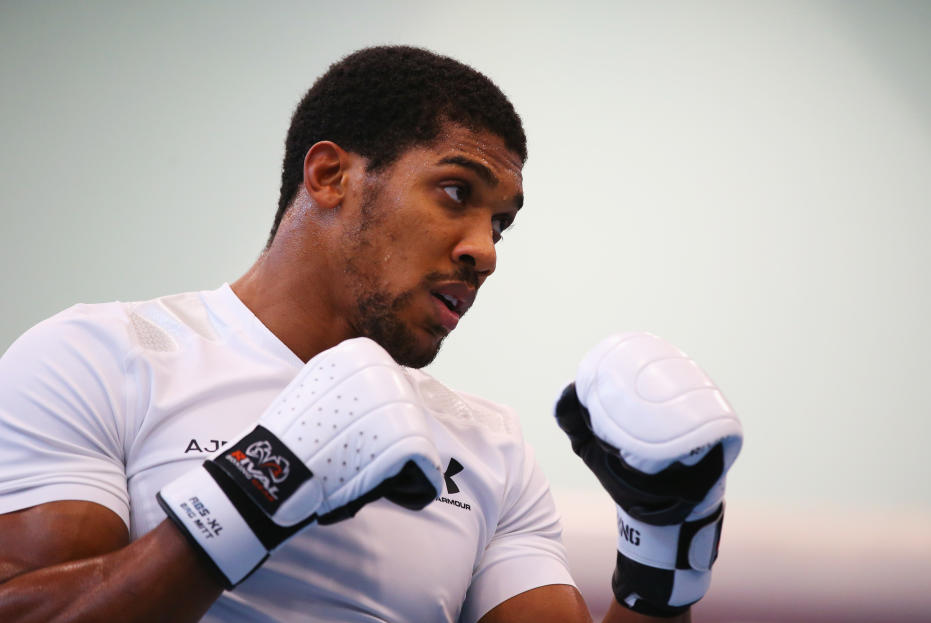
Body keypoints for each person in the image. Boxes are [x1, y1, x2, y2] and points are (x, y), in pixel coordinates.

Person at [0, 46, 740, 622]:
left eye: (501, 224)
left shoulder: (490, 448)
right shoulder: (102, 358)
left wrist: (663, 568)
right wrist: (256, 486)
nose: (485, 250)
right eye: (457, 192)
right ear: (330, 175)